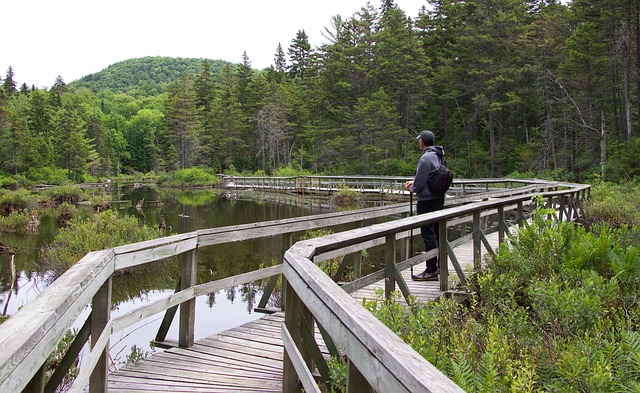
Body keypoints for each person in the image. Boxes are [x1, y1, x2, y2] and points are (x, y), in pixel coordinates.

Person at [404, 130, 446, 281]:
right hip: (438, 199)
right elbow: (432, 176)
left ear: (422, 141)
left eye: (419, 140)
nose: (418, 142)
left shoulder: (425, 159)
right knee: (437, 232)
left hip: (426, 201)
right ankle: (440, 266)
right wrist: (414, 182)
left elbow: (421, 184)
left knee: (428, 235)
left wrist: (412, 188)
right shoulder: (439, 155)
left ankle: (430, 270)